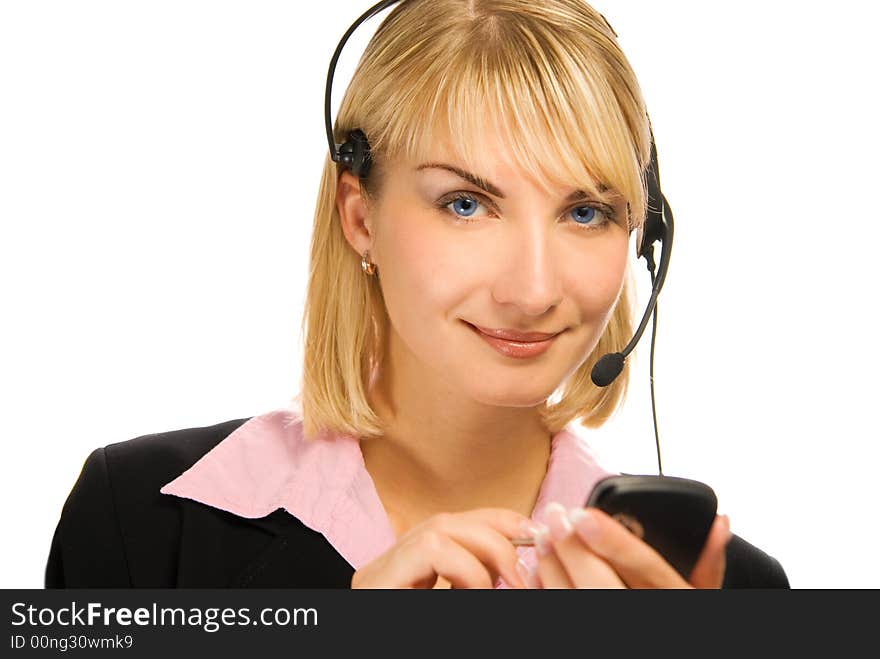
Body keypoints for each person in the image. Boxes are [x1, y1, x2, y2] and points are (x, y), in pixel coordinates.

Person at [45, 0, 789, 589]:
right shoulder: (135, 523)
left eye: (585, 212)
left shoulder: (728, 590)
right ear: (359, 216)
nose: (532, 290)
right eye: (465, 203)